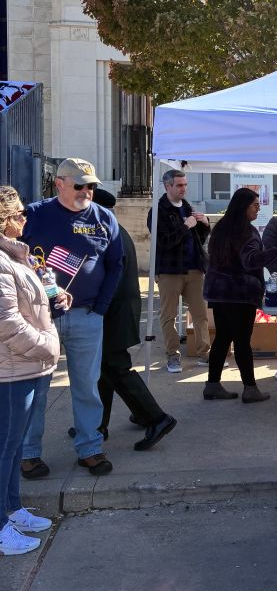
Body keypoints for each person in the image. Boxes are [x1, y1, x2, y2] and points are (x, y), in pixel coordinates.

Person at [21, 158, 123, 478]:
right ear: (59, 184)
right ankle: (28, 453)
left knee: (87, 387)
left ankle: (90, 448)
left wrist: (100, 307)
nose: (86, 191)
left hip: (86, 316)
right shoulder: (33, 214)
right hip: (40, 319)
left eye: (91, 186)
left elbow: (115, 264)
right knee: (36, 388)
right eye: (79, 185)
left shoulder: (104, 218)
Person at [72, 189, 178, 451]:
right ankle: (98, 424)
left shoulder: (101, 233)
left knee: (116, 367)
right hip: (117, 310)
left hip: (112, 312)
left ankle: (157, 418)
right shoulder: (114, 229)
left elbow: (93, 276)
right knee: (104, 370)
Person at [0, 187, 66, 554]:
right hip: (13, 368)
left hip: (27, 365)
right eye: (19, 213)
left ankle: (11, 509)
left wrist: (54, 295)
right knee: (5, 447)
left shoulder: (16, 254)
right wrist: (47, 344)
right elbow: (6, 322)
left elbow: (28, 304)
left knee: (12, 447)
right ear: (4, 219)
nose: (26, 218)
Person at [203, 188, 277, 403]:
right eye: (255, 205)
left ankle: (212, 385)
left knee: (222, 338)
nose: (258, 209)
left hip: (219, 293)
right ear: (243, 206)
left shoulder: (221, 228)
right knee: (242, 341)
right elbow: (250, 260)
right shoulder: (246, 231)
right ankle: (250, 388)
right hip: (240, 294)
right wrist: (272, 254)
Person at [148, 169, 211, 374]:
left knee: (200, 314)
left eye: (185, 184)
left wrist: (205, 224)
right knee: (169, 315)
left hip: (194, 269)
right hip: (169, 270)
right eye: (179, 185)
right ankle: (173, 356)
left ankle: (205, 354)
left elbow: (198, 239)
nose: (184, 189)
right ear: (168, 186)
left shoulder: (187, 207)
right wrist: (185, 226)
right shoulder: (157, 211)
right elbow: (164, 242)